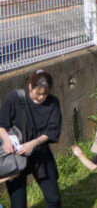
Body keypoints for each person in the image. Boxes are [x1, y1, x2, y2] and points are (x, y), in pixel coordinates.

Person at [0, 69, 63, 208]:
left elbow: (53, 130)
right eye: (37, 93)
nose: (40, 97)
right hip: (15, 155)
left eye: (44, 94)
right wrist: (6, 140)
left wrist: (34, 143)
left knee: (54, 199)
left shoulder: (53, 103)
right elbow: (2, 124)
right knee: (18, 203)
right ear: (30, 86)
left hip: (40, 153)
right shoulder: (16, 98)